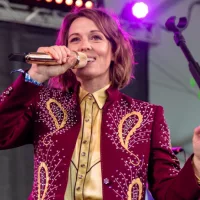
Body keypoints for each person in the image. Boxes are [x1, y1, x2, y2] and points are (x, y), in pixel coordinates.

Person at [0, 7, 200, 200]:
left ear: (114, 51)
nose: (84, 46)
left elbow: (170, 194)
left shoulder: (147, 116)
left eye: (96, 37)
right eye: (75, 39)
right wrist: (36, 75)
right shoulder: (44, 104)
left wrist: (198, 162)